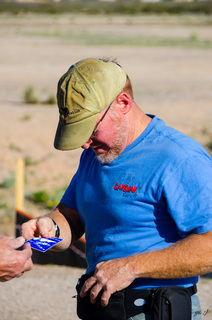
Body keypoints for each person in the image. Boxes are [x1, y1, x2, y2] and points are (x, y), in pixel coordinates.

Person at [21, 58, 212, 320]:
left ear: (123, 103)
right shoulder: (97, 153)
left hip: (155, 310)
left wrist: (131, 267)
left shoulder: (179, 158)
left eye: (90, 128)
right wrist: (50, 228)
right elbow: (72, 217)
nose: (84, 143)